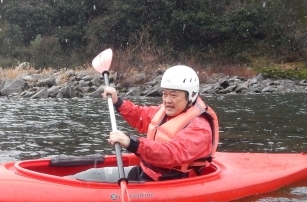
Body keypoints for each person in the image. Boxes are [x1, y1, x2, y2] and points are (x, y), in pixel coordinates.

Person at [74, 65, 219, 183]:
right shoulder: (167, 111)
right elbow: (140, 116)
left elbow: (170, 154)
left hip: (169, 180)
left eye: (174, 95)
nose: (167, 100)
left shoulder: (200, 128)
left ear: (191, 95)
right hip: (147, 172)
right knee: (90, 174)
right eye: (164, 94)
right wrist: (117, 102)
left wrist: (133, 143)